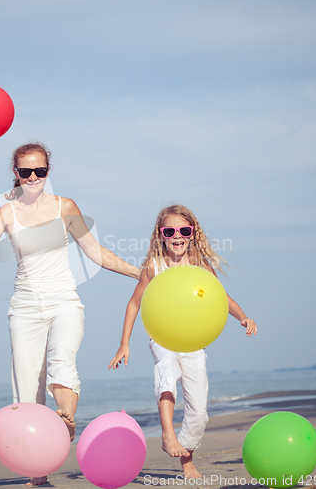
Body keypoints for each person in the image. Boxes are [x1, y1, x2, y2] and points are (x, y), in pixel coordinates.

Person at [0, 142, 139, 487]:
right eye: (25, 171)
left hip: (64, 301)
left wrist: (138, 272)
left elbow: (96, 253)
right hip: (25, 307)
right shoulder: (5, 212)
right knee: (27, 390)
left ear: (48, 171)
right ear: (15, 173)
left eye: (39, 171)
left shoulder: (65, 207)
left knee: (63, 360)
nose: (32, 177)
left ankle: (66, 418)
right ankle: (37, 471)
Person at [108, 204, 257, 479]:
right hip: (162, 336)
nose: (177, 235)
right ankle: (167, 434)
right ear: (161, 234)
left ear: (192, 234)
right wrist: (124, 343)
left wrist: (243, 317)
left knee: (199, 410)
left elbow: (222, 299)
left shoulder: (200, 266)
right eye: (170, 230)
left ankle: (187, 458)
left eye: (184, 230)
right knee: (167, 370)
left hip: (193, 341)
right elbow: (134, 303)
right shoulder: (153, 267)